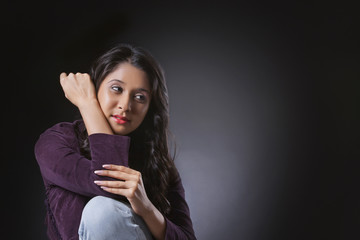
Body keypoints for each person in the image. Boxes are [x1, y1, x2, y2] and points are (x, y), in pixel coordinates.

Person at [34, 44, 196, 240]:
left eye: (139, 97)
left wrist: (146, 207)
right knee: (101, 210)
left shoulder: (160, 164)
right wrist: (88, 104)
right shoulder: (58, 142)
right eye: (116, 89)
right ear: (95, 87)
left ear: (149, 108)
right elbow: (110, 183)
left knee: (102, 210)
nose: (125, 105)